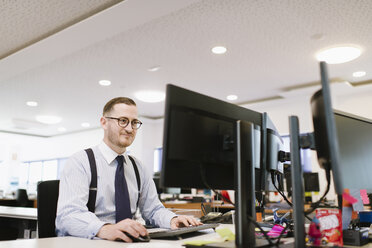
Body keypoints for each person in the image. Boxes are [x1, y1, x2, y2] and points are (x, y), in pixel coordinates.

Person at [56, 97, 201, 242]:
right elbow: (69, 215)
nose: (130, 128)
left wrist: (172, 219)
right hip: (91, 242)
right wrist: (104, 228)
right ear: (104, 122)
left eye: (134, 122)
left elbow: (154, 210)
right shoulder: (81, 162)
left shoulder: (139, 168)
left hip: (129, 243)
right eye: (123, 121)